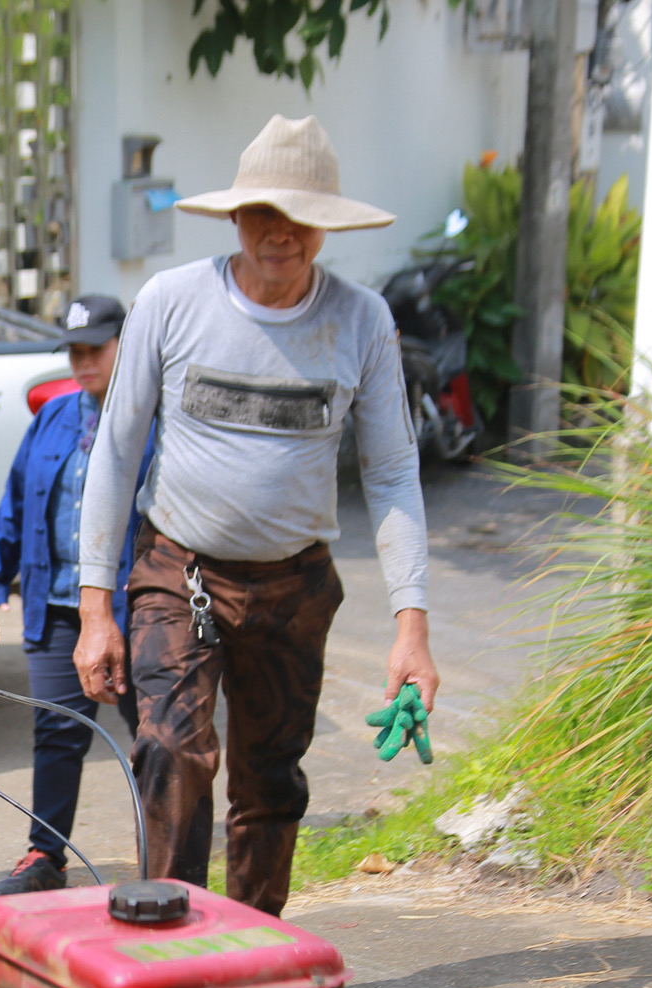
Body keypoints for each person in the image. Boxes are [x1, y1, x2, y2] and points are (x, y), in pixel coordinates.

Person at [74, 114, 438, 918]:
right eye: (264, 214)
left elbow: (392, 472)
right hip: (181, 571)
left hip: (294, 585)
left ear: (326, 227)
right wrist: (95, 609)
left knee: (271, 783)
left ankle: (252, 961)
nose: (282, 235)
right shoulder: (172, 302)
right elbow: (117, 451)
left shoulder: (362, 320)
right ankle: (169, 954)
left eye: (301, 218)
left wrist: (412, 626)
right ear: (236, 218)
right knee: (172, 752)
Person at [0, 295, 149, 894]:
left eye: (94, 349)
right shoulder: (52, 418)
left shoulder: (154, 420)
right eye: (73, 351)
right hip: (55, 606)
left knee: (153, 732)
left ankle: (165, 846)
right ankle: (45, 856)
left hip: (133, 607)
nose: (82, 362)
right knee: (56, 730)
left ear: (126, 345)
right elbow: (17, 503)